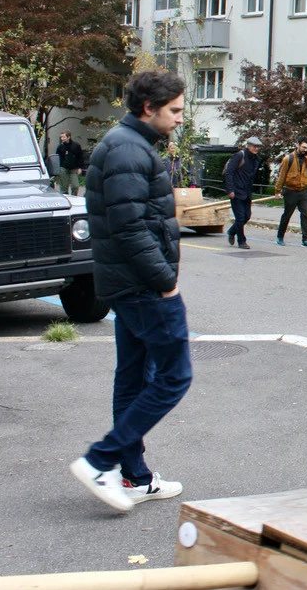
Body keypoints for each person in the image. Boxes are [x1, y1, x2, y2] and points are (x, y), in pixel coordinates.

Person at [69, 70, 190, 513]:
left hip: (128, 284)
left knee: (134, 377)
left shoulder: (128, 144)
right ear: (149, 108)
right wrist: (165, 282)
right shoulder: (126, 149)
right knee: (174, 376)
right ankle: (100, 460)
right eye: (175, 110)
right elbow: (129, 227)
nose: (180, 118)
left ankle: (134, 476)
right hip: (143, 287)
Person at [274, 137, 307, 247]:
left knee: (305, 214)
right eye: (303, 147)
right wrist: (277, 191)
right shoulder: (288, 159)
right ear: (297, 145)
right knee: (287, 214)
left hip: (304, 191)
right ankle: (280, 236)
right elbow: (282, 176)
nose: (305, 150)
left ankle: (305, 239)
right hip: (291, 191)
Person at [224, 137, 263, 250]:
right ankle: (242, 241)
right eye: (254, 146)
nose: (256, 149)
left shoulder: (255, 159)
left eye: (258, 147)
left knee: (246, 216)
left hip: (246, 192)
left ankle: (232, 231)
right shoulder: (239, 156)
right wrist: (230, 189)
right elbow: (229, 172)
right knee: (240, 217)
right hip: (236, 192)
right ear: (248, 146)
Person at [54, 131, 85, 196]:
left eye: (63, 137)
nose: (62, 138)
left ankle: (74, 197)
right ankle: (66, 198)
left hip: (74, 168)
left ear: (68, 137)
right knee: (64, 187)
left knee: (75, 185)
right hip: (63, 168)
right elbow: (57, 157)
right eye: (61, 137)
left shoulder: (76, 145)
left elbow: (80, 156)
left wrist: (80, 167)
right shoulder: (60, 147)